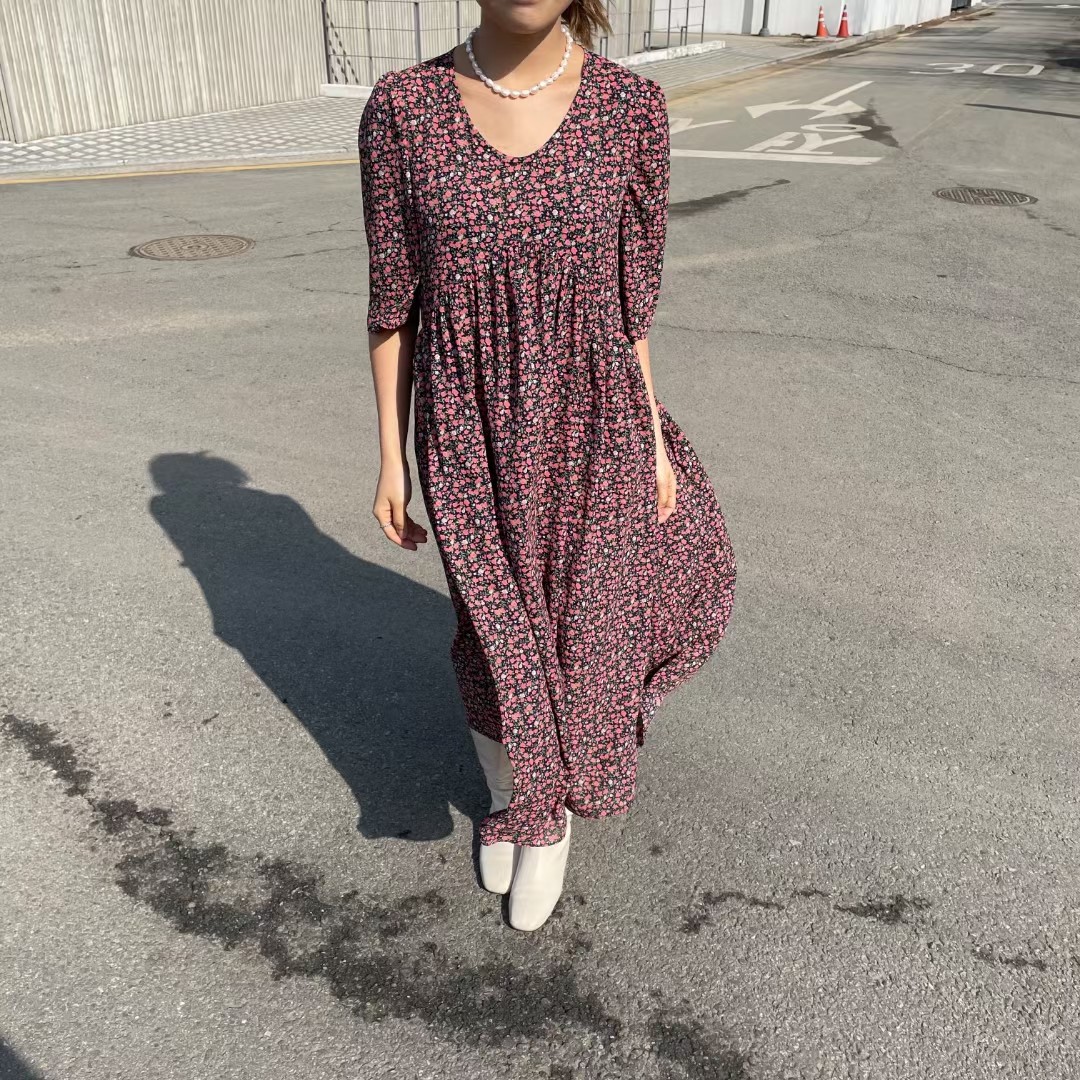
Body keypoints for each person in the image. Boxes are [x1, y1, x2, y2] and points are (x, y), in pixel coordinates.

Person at [358, 0, 736, 932]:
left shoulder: (632, 110)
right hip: (466, 431)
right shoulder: (402, 110)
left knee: (584, 637)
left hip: (594, 427)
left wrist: (651, 438)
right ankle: (509, 797)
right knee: (492, 630)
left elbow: (630, 311)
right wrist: (391, 458)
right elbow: (393, 304)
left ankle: (549, 812)